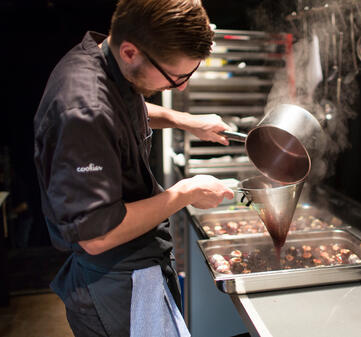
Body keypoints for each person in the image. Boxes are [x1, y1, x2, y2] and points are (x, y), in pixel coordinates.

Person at [33, 0, 234, 336]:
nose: (182, 86)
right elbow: (97, 236)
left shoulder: (105, 60)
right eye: (176, 76)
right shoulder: (83, 109)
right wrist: (186, 192)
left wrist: (184, 120)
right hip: (115, 279)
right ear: (130, 52)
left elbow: (124, 109)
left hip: (137, 264)